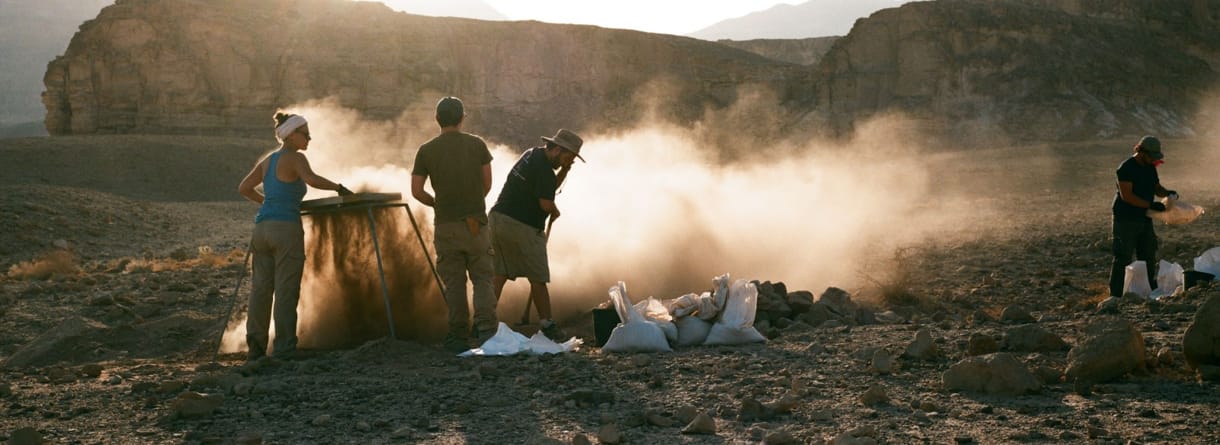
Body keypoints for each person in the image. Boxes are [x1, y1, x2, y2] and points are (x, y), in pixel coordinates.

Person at [238, 112, 353, 360]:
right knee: (286, 290)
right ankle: (284, 348)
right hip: (285, 229)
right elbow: (311, 180)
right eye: (305, 134)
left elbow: (244, 188)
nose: (309, 139)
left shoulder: (268, 161)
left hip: (262, 229)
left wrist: (268, 202)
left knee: (260, 290)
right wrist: (338, 187)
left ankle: (255, 348)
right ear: (290, 135)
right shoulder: (295, 158)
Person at [411, 97, 496, 352]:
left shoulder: (426, 150)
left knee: (455, 282)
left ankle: (458, 334)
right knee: (482, 277)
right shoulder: (477, 144)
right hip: (475, 223)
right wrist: (471, 202)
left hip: (445, 225)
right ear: (461, 118)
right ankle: (486, 330)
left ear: (437, 119)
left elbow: (416, 190)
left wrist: (437, 203)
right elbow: (487, 184)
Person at [489, 128, 584, 342]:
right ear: (557, 149)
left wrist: (566, 170)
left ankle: (483, 323)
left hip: (498, 219)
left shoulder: (532, 155)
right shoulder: (543, 168)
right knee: (538, 276)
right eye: (567, 157)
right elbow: (545, 202)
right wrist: (554, 210)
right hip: (520, 224)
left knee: (500, 273)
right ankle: (547, 324)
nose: (566, 161)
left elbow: (547, 188)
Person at [1109, 135, 1178, 298]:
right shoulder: (1126, 168)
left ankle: (1148, 289)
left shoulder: (1149, 166)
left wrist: (1168, 193)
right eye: (1151, 157)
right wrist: (1150, 205)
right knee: (1123, 255)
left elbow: (1156, 188)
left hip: (1144, 217)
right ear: (1141, 152)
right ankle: (1116, 294)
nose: (1154, 161)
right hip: (1125, 218)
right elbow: (1127, 196)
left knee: (1148, 253)